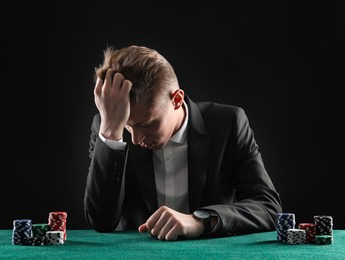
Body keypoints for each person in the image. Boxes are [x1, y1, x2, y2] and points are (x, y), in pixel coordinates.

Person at [84, 45, 282, 241]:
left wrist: (200, 221)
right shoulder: (109, 128)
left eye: (147, 124)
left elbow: (268, 207)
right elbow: (101, 221)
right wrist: (111, 133)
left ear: (177, 99)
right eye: (128, 126)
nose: (135, 140)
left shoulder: (229, 124)